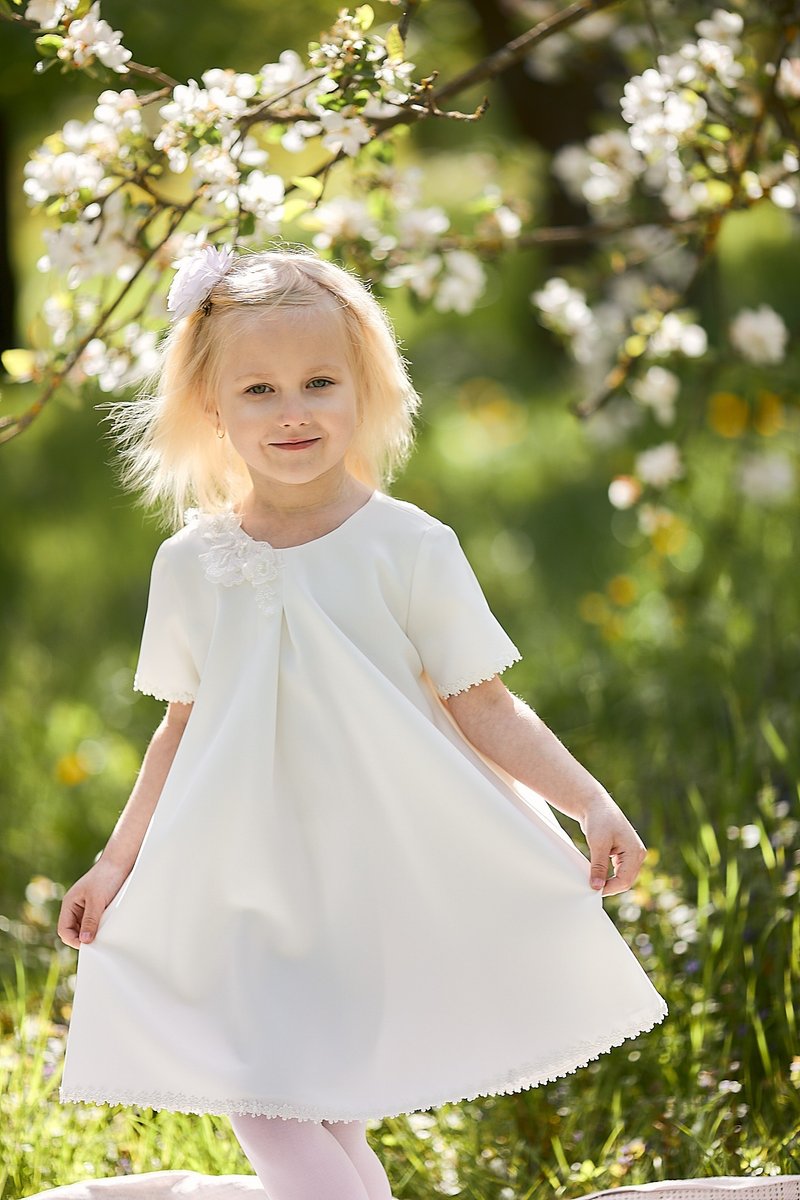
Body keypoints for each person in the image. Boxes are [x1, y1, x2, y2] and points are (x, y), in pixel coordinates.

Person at [57, 244, 668, 1200]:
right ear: (213, 408)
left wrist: (590, 803)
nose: (293, 411)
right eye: (258, 389)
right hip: (237, 871)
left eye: (318, 382)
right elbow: (180, 725)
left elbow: (485, 704)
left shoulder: (409, 547)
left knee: (316, 1104)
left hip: (363, 872)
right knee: (261, 1086)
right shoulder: (190, 564)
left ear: (365, 389)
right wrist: (117, 861)